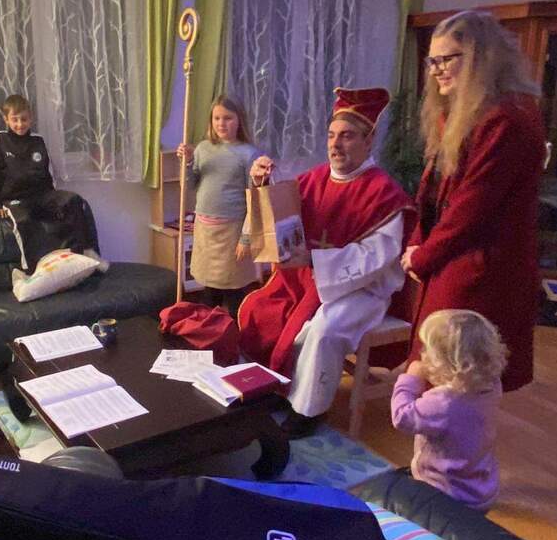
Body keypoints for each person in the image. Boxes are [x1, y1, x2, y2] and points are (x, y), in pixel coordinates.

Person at [238, 87, 415, 438]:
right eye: (332, 135)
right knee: (260, 308)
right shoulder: (314, 179)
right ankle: (272, 389)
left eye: (347, 136)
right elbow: (282, 214)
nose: (335, 144)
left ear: (369, 140)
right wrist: (261, 183)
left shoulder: (384, 193)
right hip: (310, 281)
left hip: (362, 290)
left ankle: (307, 410)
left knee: (323, 330)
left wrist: (316, 261)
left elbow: (377, 257)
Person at [400, 10, 545, 393]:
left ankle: (440, 437)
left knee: (455, 378)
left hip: (477, 267)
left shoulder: (507, 119)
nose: (436, 70)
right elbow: (433, 195)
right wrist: (417, 241)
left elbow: (472, 208)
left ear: (482, 58)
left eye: (447, 59)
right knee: (435, 367)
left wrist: (423, 256)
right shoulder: (464, 113)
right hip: (450, 259)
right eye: (432, 60)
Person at [391, 309, 507, 511]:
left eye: (427, 350)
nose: (423, 355)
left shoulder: (443, 403)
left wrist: (410, 380)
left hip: (443, 493)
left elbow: (402, 417)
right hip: (481, 490)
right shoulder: (493, 384)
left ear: (445, 361)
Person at [0, 94, 105, 271]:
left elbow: (47, 171)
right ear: (6, 119)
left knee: (74, 200)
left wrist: (55, 199)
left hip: (41, 194)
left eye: (24, 119)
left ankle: (85, 254)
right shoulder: (0, 139)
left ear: (30, 118)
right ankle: (33, 270)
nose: (20, 124)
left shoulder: (38, 140)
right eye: (15, 120)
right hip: (15, 199)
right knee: (25, 221)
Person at [176, 95, 261, 316]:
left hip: (232, 230)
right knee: (209, 287)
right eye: (216, 118)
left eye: (228, 118)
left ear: (239, 120)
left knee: (233, 288)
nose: (221, 123)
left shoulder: (248, 154)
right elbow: (190, 185)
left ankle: (236, 329)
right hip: (205, 228)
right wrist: (188, 162)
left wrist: (246, 237)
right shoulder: (203, 149)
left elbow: (255, 200)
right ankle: (208, 328)